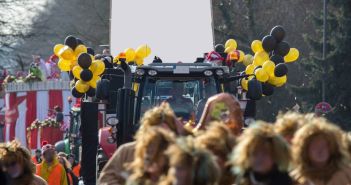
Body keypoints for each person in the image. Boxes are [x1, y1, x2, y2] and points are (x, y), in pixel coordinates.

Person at [99, 102, 184, 185]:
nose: (158, 136)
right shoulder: (127, 151)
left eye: (163, 133)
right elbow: (106, 178)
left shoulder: (180, 155)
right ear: (145, 130)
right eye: (154, 132)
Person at [291, 117, 351, 185]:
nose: (321, 150)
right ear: (305, 150)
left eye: (325, 146)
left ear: (333, 148)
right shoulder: (297, 179)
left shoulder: (346, 173)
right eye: (315, 146)